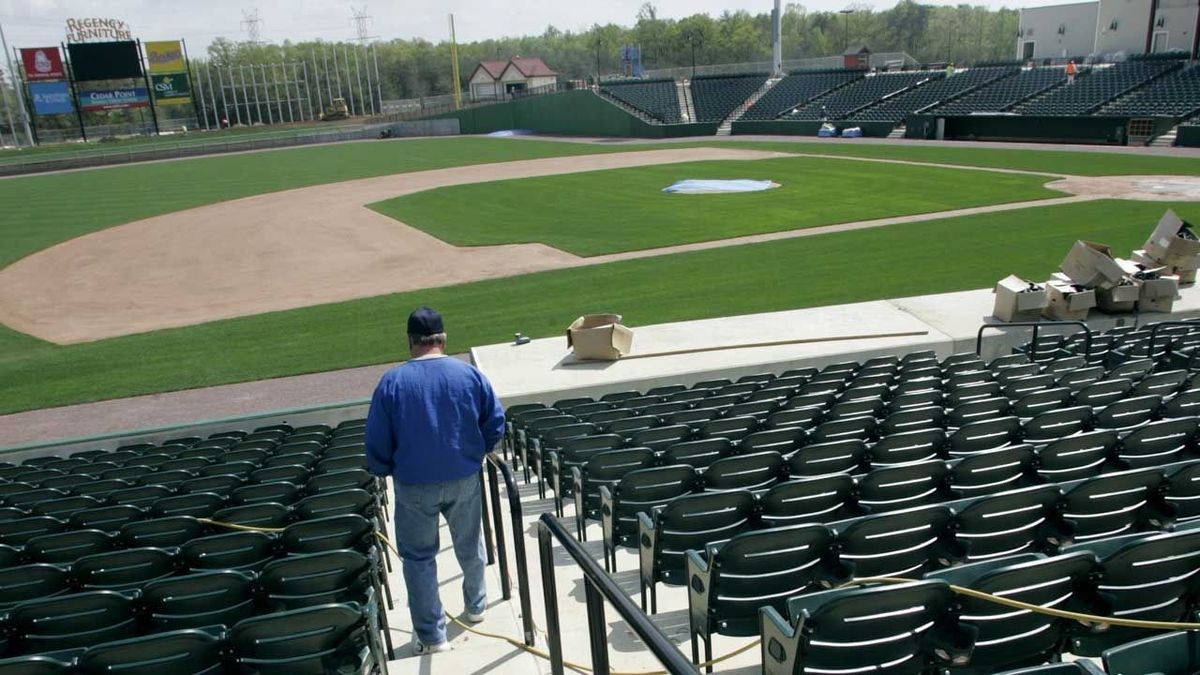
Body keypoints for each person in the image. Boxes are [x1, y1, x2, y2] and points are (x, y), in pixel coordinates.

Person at [365, 306, 506, 655]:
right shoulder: (469, 375)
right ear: (442, 339)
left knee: (418, 558)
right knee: (469, 543)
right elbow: (495, 422)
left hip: (414, 484)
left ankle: (432, 636)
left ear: (411, 341)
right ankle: (477, 606)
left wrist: (383, 468)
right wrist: (476, 453)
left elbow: (377, 440)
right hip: (463, 476)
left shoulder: (392, 382)